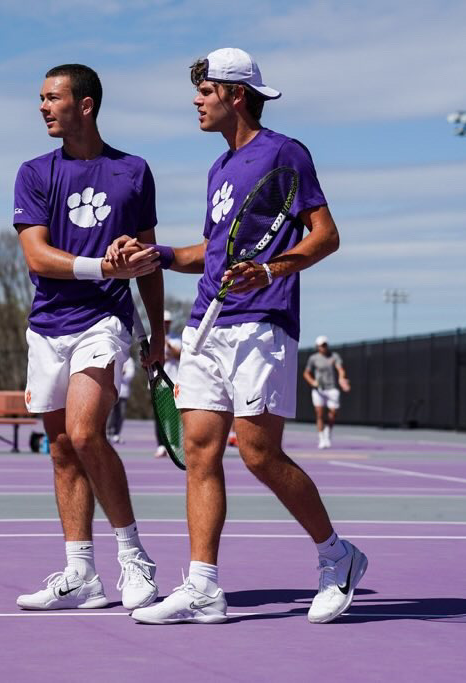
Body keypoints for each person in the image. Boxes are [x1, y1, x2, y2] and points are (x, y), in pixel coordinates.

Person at [109, 48, 367, 625]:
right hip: (208, 324)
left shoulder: (285, 153)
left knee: (257, 453)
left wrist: (272, 269)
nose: (197, 101)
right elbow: (214, 250)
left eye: (206, 91)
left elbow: (325, 236)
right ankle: (203, 585)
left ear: (236, 94)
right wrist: (163, 254)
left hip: (263, 321)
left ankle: (337, 556)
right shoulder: (218, 169)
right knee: (200, 452)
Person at [11, 64, 166, 613]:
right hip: (46, 326)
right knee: (60, 449)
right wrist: (103, 265)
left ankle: (134, 559)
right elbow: (36, 256)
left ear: (86, 105)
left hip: (104, 322)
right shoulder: (33, 172)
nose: (43, 107)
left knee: (84, 433)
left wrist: (157, 331)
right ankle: (82, 574)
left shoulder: (133, 171)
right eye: (41, 98)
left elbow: (148, 261)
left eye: (52, 98)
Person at [304, 335, 350, 449]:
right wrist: (313, 382)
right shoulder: (313, 358)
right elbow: (306, 373)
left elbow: (340, 369)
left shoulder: (334, 356)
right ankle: (321, 439)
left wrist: (341, 378)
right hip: (319, 390)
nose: (323, 347)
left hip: (332, 389)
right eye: (321, 345)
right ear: (317, 347)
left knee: (333, 414)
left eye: (325, 345)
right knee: (319, 414)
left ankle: (327, 433)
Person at [154, 309, 182, 458]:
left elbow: (179, 355)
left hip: (173, 381)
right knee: (159, 415)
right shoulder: (152, 337)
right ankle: (161, 445)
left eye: (167, 323)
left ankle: (175, 444)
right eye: (163, 322)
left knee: (173, 415)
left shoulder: (177, 339)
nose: (165, 325)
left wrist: (167, 344)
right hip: (157, 382)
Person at [107, 355, 136, 444]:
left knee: (121, 413)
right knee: (110, 413)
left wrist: (120, 373)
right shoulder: (113, 357)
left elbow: (130, 374)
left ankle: (117, 434)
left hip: (123, 391)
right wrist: (120, 372)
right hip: (112, 390)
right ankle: (107, 432)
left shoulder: (129, 360)